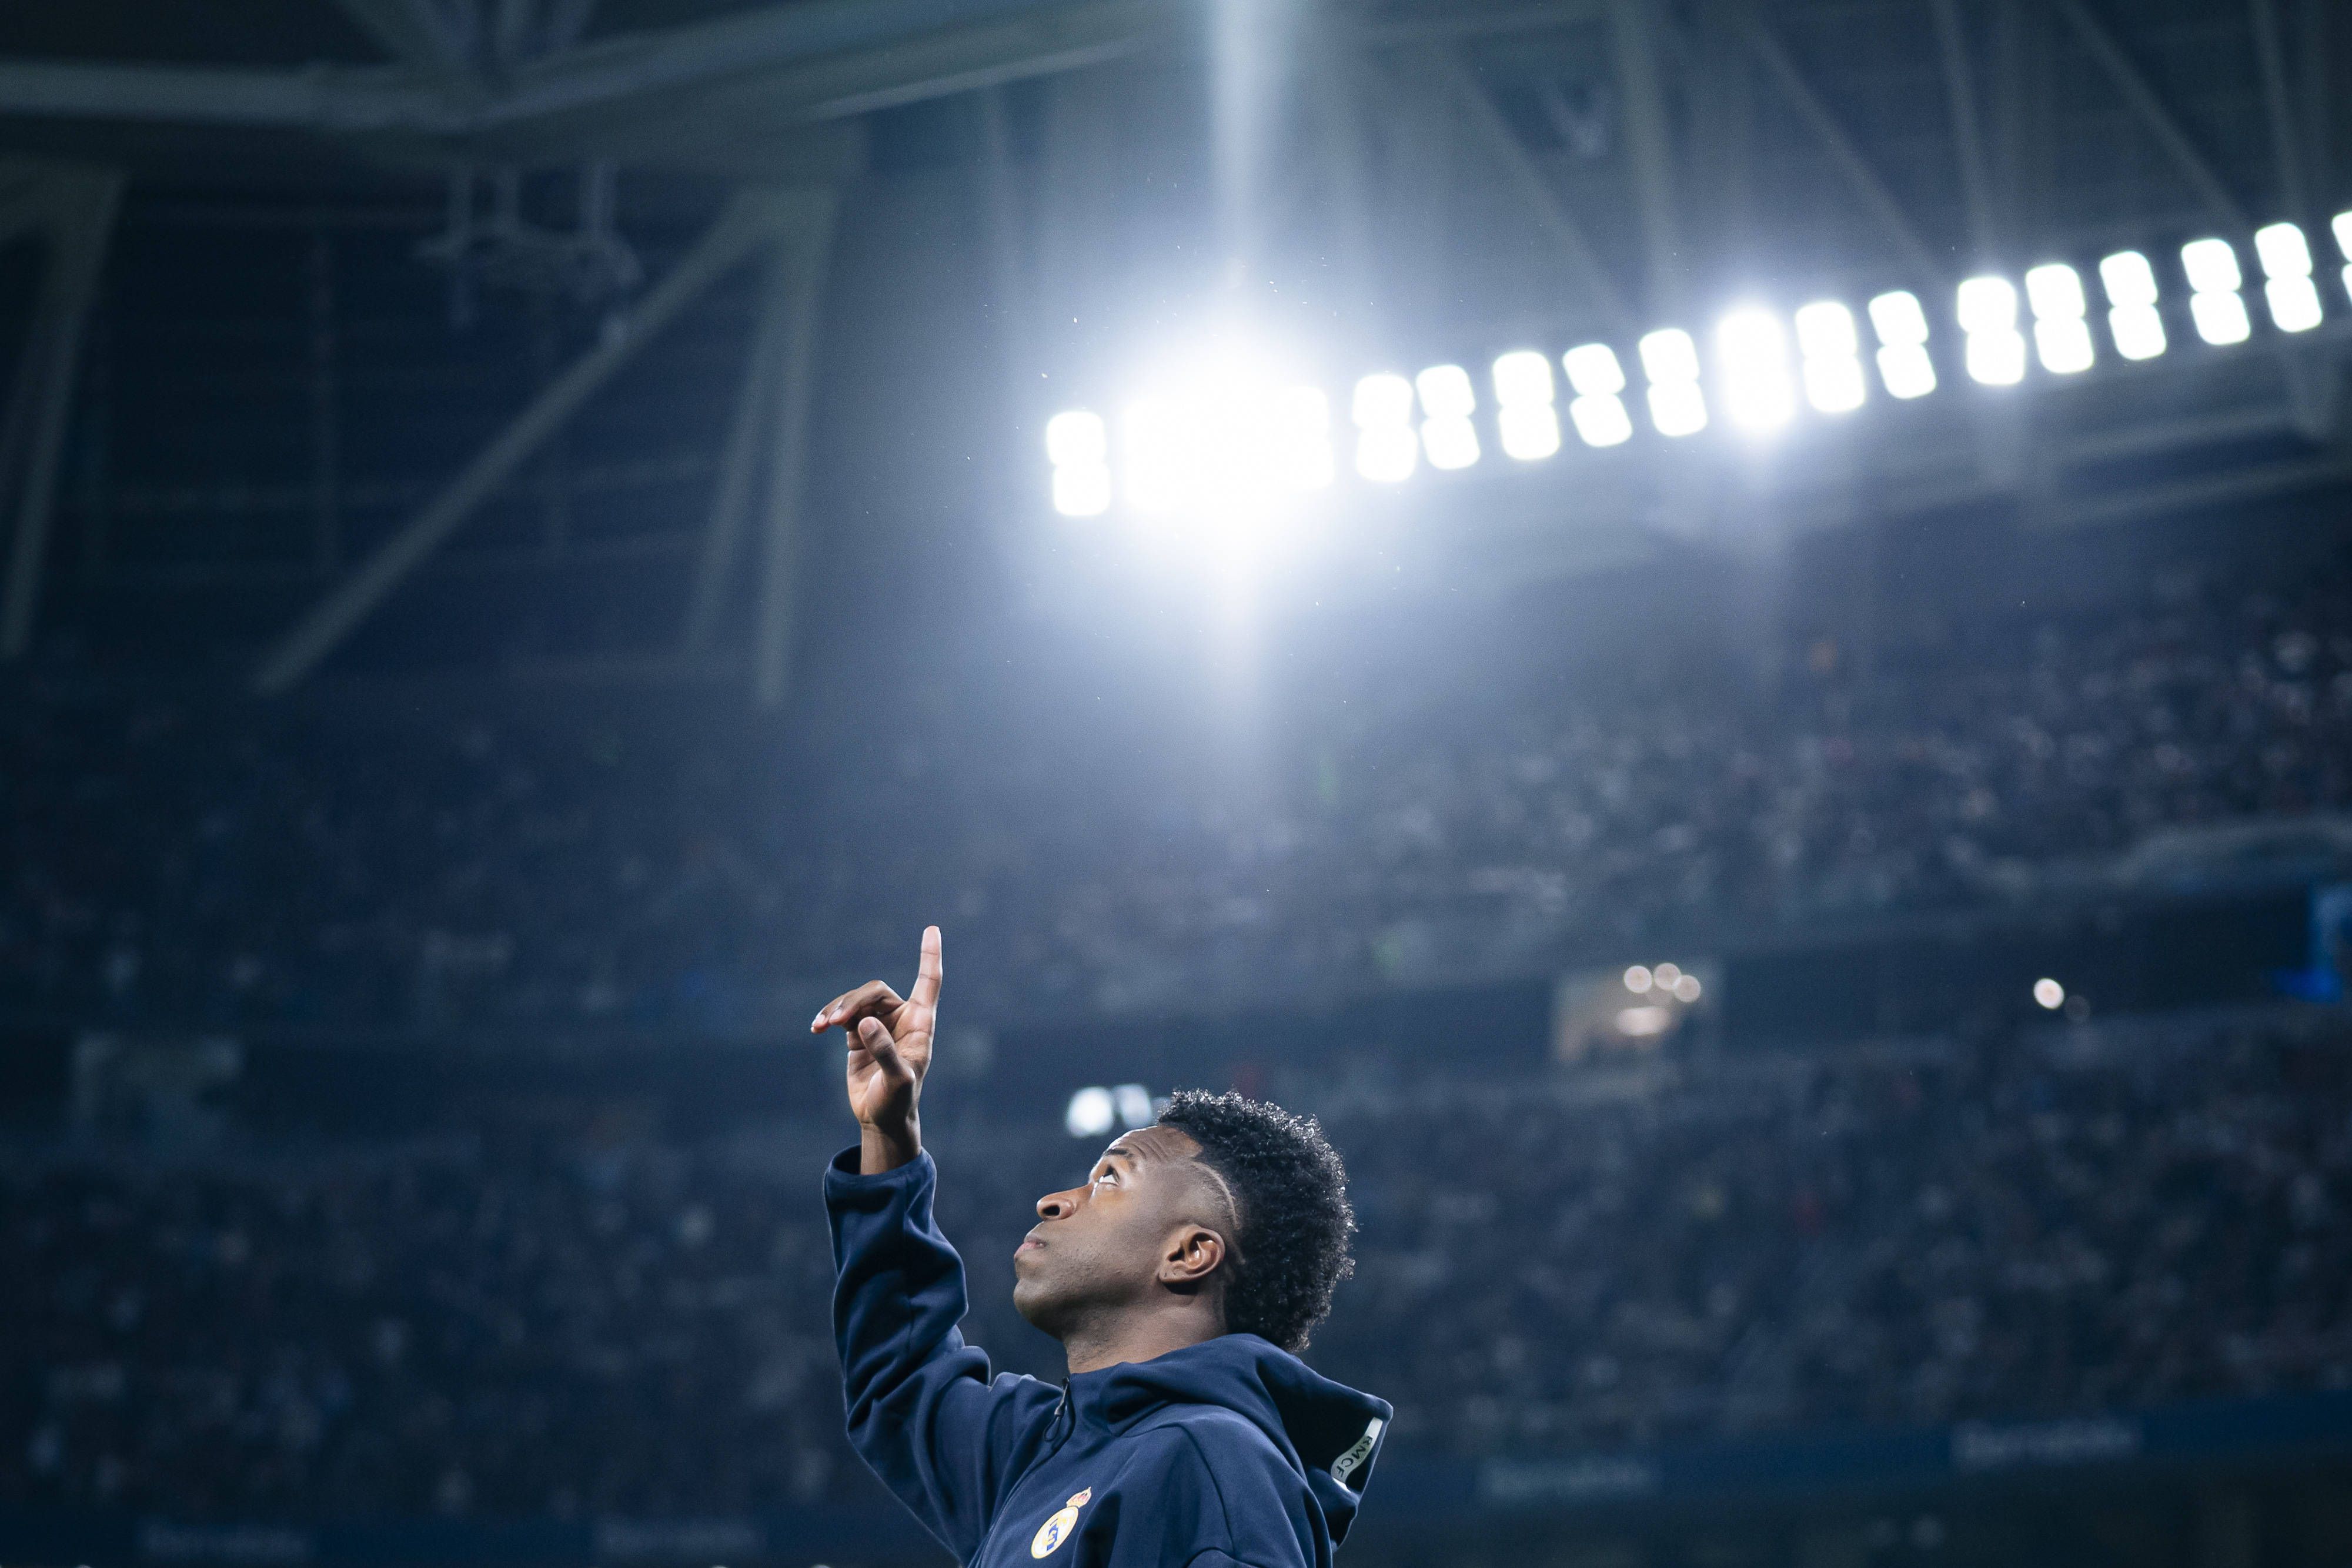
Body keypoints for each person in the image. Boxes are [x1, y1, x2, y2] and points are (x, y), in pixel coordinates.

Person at [813, 927, 1388, 1568]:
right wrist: (889, 1136)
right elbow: (901, 1384)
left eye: (1109, 1178)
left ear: (1188, 1253)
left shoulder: (1215, 1463)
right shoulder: (1044, 1451)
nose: (1054, 1202)